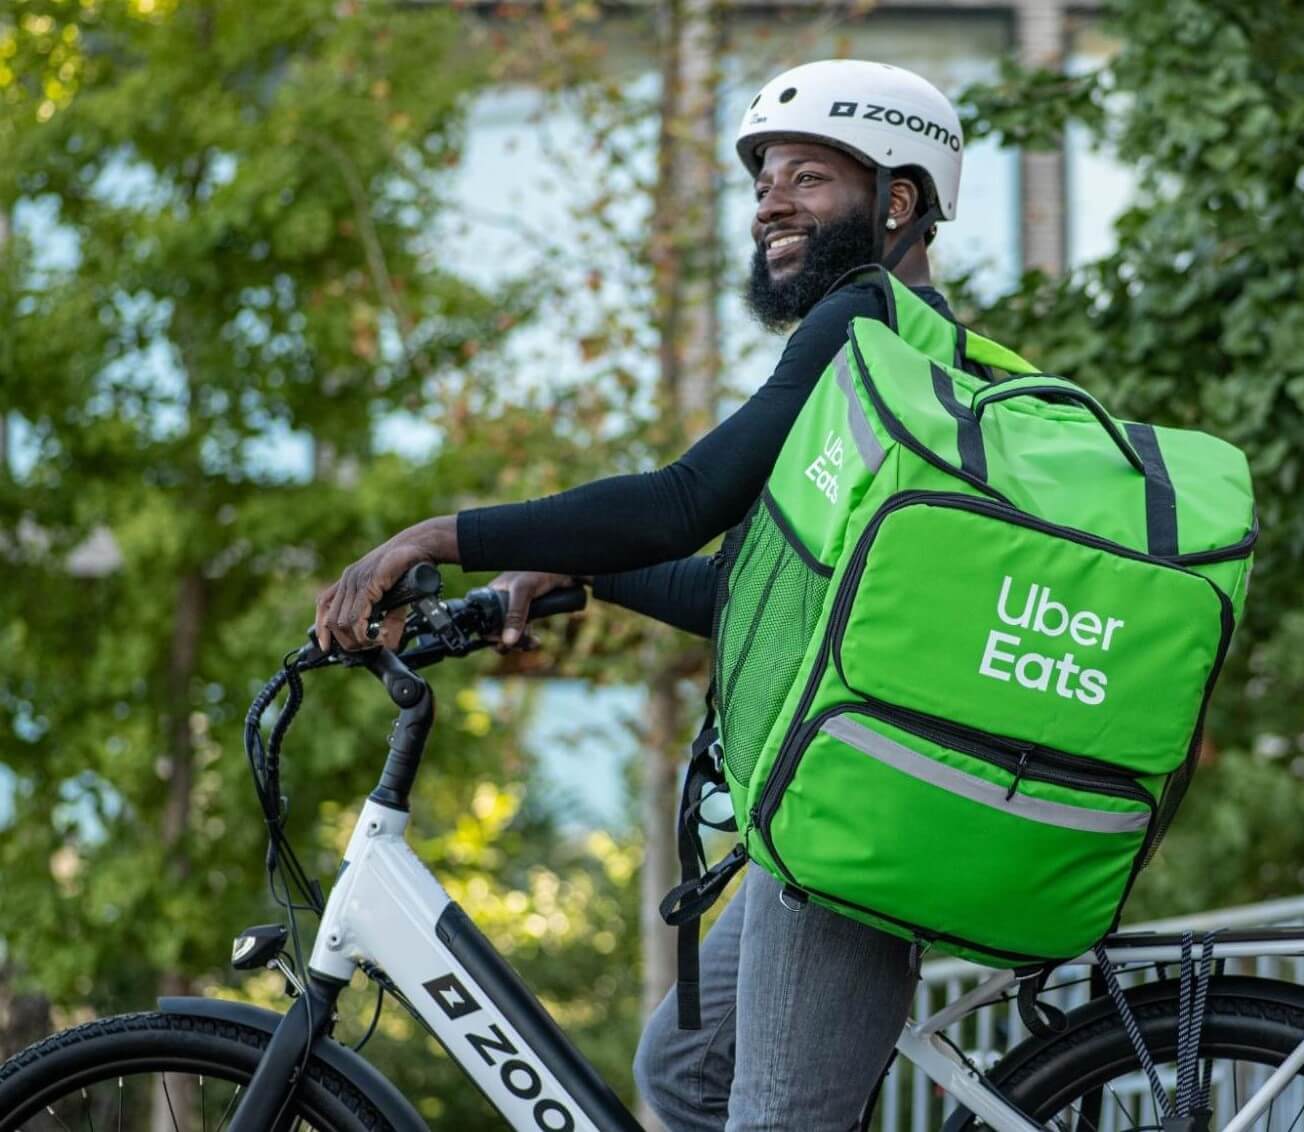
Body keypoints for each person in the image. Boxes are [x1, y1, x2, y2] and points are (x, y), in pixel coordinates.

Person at [312, 59, 968, 1129]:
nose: (769, 203)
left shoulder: (863, 326)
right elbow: (743, 598)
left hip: (860, 814)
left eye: (808, 177)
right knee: (683, 1069)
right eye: (761, 181)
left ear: (896, 202)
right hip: (837, 797)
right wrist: (585, 570)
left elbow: (684, 500)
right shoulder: (891, 360)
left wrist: (445, 534)